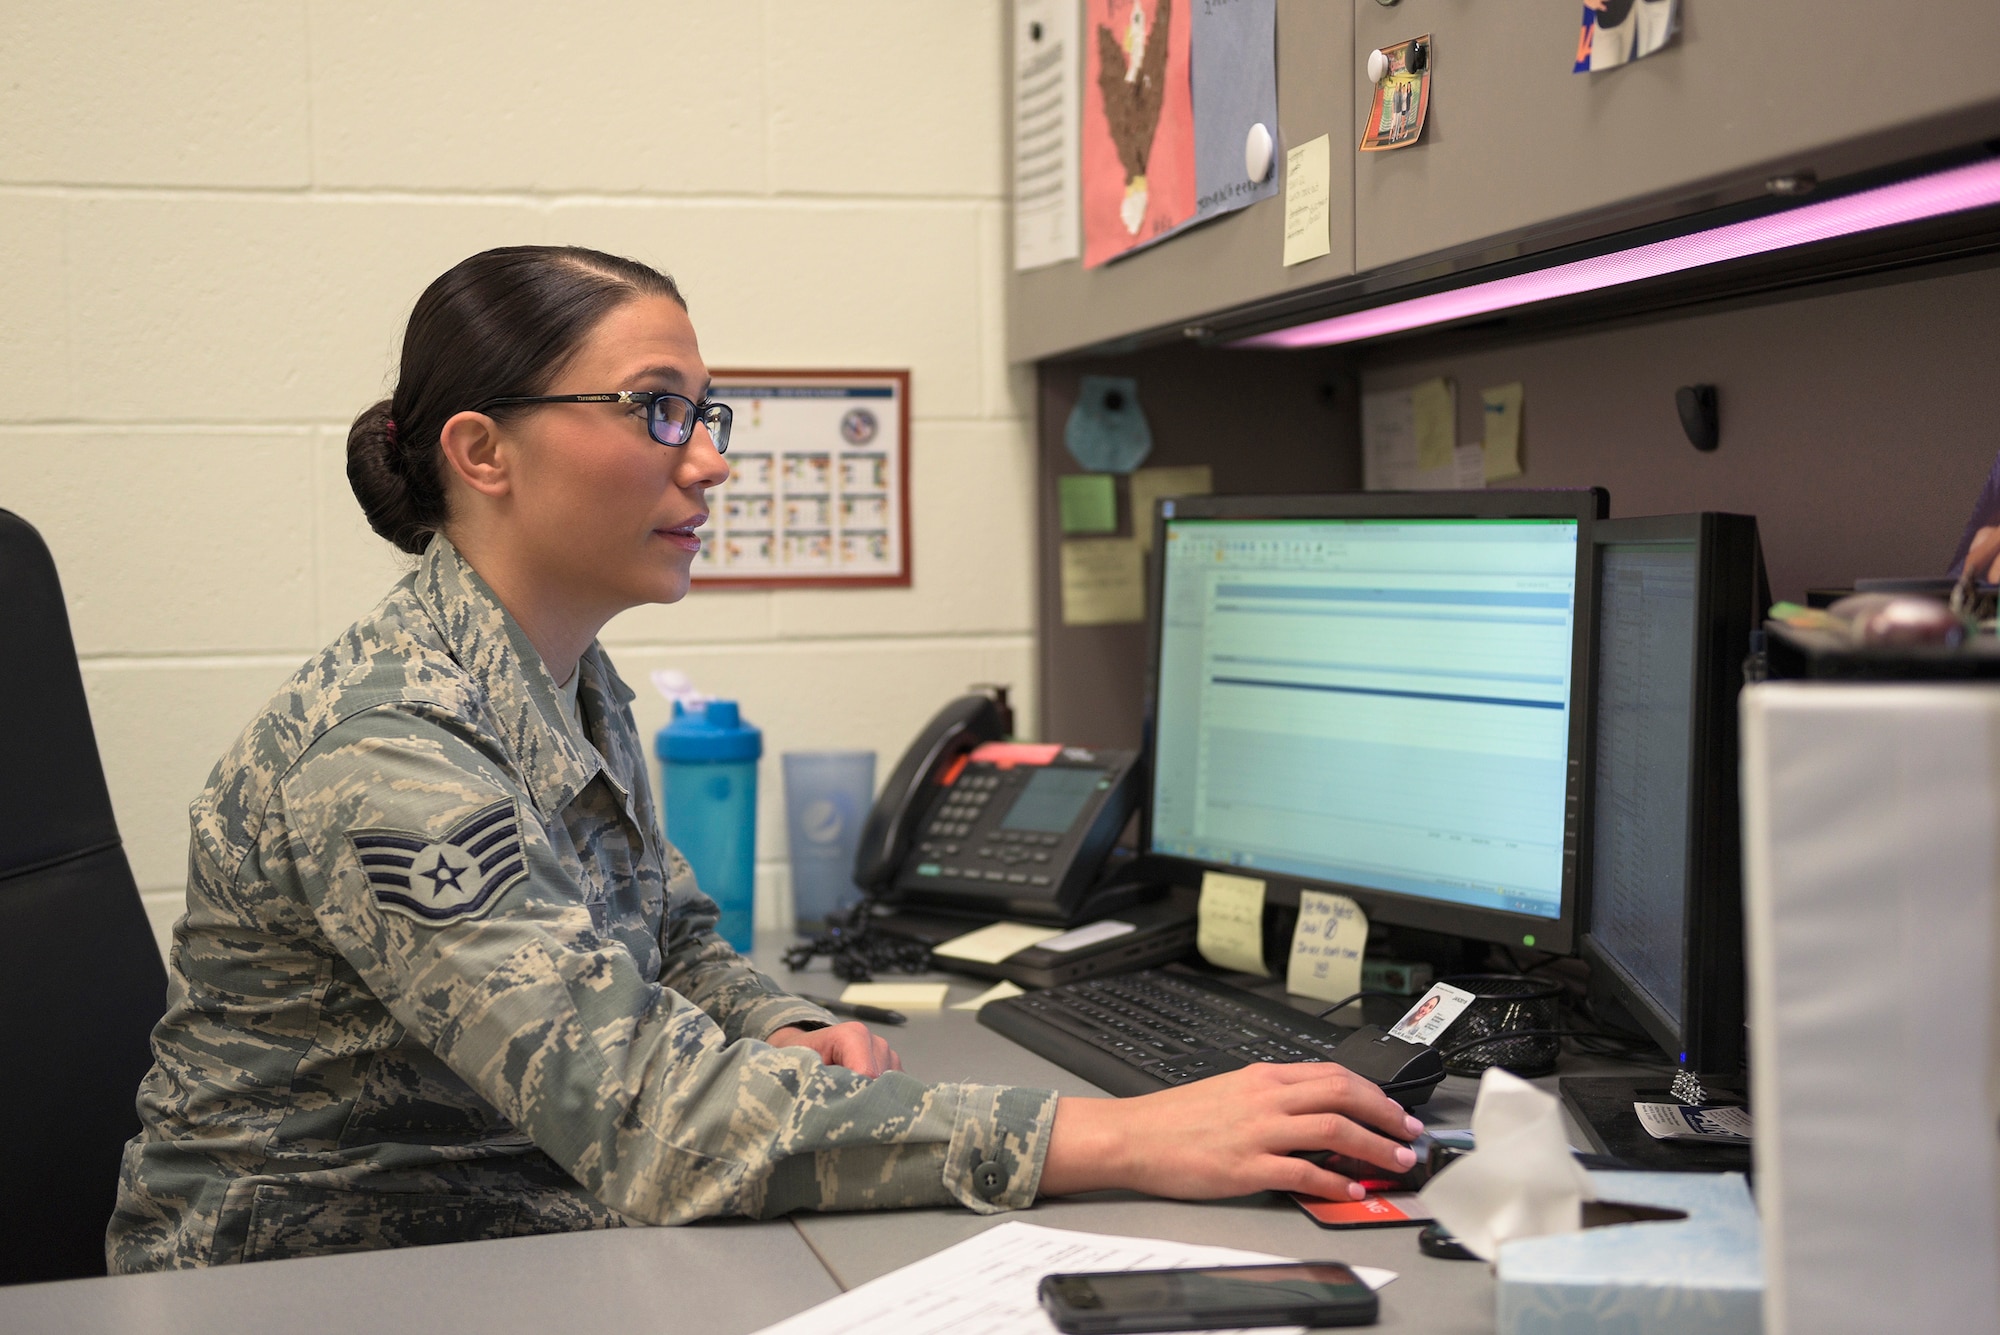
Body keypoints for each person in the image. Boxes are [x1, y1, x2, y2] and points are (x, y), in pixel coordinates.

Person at [108, 246, 1422, 1271]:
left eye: (706, 410)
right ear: (480, 451)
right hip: (306, 1284)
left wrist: (777, 1015)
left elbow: (664, 934)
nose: (715, 460)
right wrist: (1128, 1134)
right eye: (659, 411)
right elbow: (645, 1121)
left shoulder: (566, 671)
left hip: (499, 1232)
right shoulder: (387, 741)